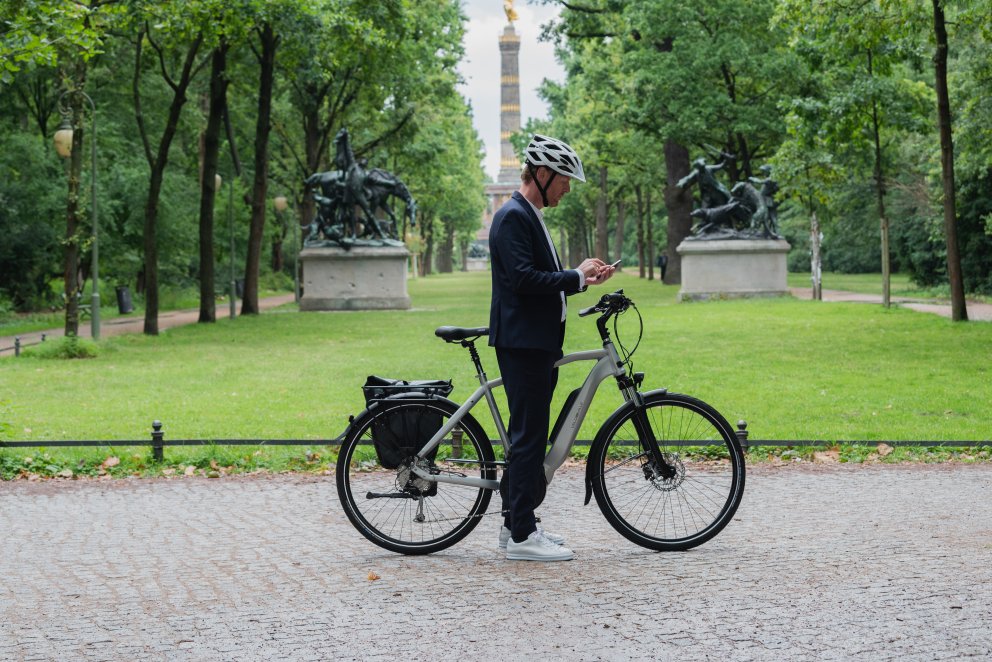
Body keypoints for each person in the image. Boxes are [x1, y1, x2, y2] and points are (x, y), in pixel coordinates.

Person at [488, 134, 615, 562]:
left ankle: (514, 524)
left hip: (535, 341)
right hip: (523, 343)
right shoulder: (512, 217)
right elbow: (524, 280)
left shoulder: (528, 214)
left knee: (529, 436)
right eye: (564, 180)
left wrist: (581, 279)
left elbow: (540, 285)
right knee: (528, 438)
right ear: (542, 175)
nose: (567, 188)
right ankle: (523, 536)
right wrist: (574, 276)